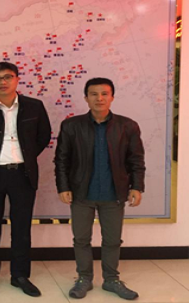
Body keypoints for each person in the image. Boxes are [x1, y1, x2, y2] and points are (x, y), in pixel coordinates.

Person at [54, 77, 145, 300]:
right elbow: (62, 159)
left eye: (105, 94)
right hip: (81, 193)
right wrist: (63, 187)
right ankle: (84, 278)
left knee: (112, 240)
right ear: (86, 98)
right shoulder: (71, 126)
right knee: (81, 240)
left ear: (112, 97)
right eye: (94, 94)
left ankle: (111, 279)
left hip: (114, 193)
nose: (99, 98)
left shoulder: (128, 126)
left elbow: (136, 159)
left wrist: (137, 186)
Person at [0, 62, 51, 297]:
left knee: (22, 228)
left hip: (23, 174)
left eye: (7, 77)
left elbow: (43, 137)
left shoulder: (34, 106)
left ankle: (20, 275)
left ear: (17, 79)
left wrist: (25, 156)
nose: (2, 82)